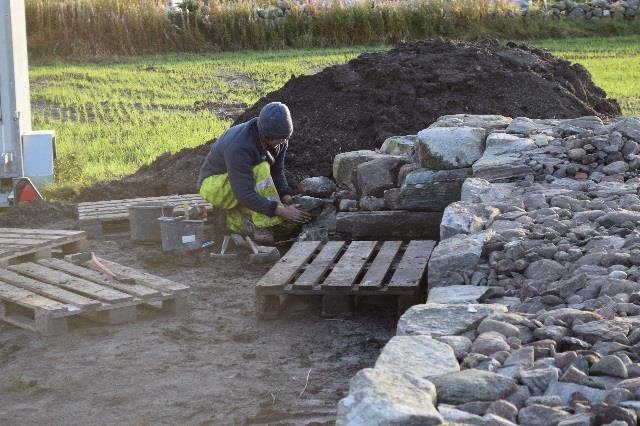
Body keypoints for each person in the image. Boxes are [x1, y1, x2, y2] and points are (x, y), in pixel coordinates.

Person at [197, 102, 311, 245]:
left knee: (285, 226)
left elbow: (277, 172)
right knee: (261, 168)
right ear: (266, 136)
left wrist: (287, 199)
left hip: (241, 183)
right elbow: (244, 194)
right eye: (281, 139)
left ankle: (229, 219)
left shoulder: (280, 139)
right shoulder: (240, 146)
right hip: (215, 187)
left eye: (286, 137)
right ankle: (264, 227)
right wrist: (281, 211)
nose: (284, 142)